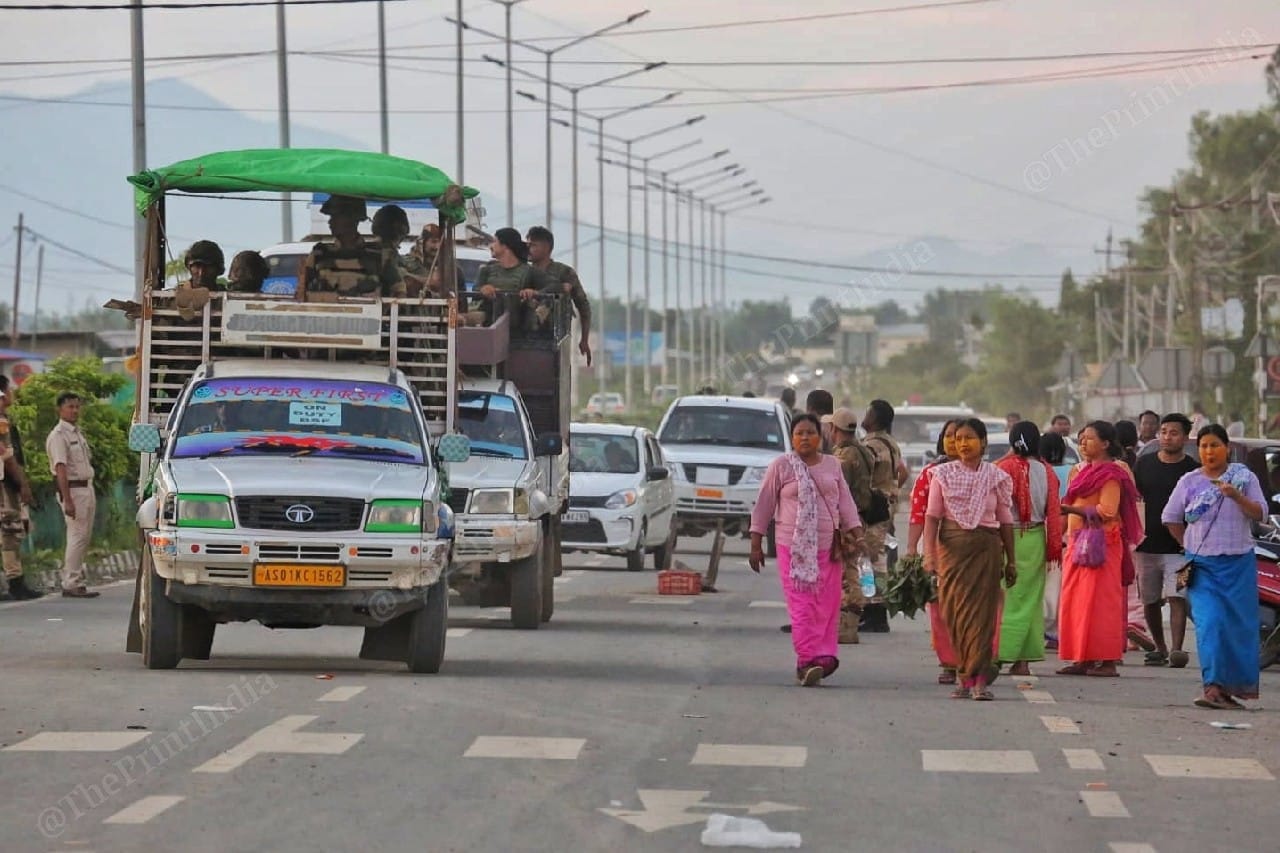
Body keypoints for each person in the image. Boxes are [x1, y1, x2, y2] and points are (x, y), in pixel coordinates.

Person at [749, 414, 863, 686]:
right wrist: (756, 543)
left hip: (828, 548)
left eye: (810, 432)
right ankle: (807, 660)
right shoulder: (782, 466)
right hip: (793, 548)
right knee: (802, 606)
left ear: (820, 436)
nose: (804, 438)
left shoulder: (833, 465)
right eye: (799, 433)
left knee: (827, 604)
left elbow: (844, 501)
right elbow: (764, 504)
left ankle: (823, 657)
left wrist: (856, 530)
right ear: (791, 437)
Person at [1162, 424, 1266, 709]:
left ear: (1227, 448)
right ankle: (1213, 687)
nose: (1208, 451)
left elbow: (1260, 513)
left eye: (1214, 445)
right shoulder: (1189, 481)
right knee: (1211, 624)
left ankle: (1232, 689)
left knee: (1239, 629)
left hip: (1238, 564)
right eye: (1204, 446)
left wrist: (1236, 496)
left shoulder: (1244, 479)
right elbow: (1170, 517)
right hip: (1202, 567)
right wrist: (1187, 544)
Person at [922, 418, 1016, 700]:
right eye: (959, 438)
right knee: (955, 614)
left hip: (986, 549)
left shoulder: (995, 476)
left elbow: (1005, 519)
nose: (963, 443)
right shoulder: (942, 475)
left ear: (983, 442)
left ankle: (978, 682)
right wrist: (929, 555)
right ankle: (965, 673)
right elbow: (932, 517)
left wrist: (1011, 560)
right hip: (951, 551)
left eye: (969, 438)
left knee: (982, 616)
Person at [1056, 421, 1143, 677]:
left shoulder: (1112, 474)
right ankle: (1082, 657)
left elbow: (1107, 511)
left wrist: (1070, 510)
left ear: (1106, 443)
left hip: (1102, 545)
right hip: (1077, 542)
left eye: (1089, 439)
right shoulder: (1081, 471)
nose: (1083, 443)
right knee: (1077, 601)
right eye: (1081, 439)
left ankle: (1107, 660)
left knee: (1102, 604)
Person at [994, 422, 1063, 677]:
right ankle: (1022, 661)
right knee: (1031, 601)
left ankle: (1001, 652)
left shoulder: (1003, 469)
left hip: (1006, 538)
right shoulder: (1047, 471)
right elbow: (1053, 511)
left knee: (1006, 598)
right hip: (1035, 539)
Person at [1133, 413, 1198, 668]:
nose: (1167, 437)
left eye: (1173, 432)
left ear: (1185, 437)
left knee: (1178, 596)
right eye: (1164, 432)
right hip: (1146, 546)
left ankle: (1177, 650)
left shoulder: (1192, 470)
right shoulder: (1144, 464)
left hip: (1182, 548)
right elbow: (1134, 499)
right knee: (1149, 599)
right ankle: (1159, 648)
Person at [907, 419, 960, 683]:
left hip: (973, 549)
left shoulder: (984, 472)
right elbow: (918, 515)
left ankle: (972, 658)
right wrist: (912, 550)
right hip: (938, 546)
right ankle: (949, 662)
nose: (954, 440)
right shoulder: (929, 474)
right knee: (940, 606)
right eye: (949, 435)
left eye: (959, 435)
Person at [824, 407, 878, 645]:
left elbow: (837, 492)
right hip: (859, 519)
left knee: (846, 573)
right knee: (850, 570)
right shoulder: (862, 451)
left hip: (847, 521)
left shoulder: (844, 457)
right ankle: (846, 625)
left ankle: (848, 626)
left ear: (834, 428)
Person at [45, 392, 98, 598]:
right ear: (60, 409)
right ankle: (70, 582)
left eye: (77, 407)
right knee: (76, 535)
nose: (75, 411)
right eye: (70, 407)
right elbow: (60, 468)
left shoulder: (77, 433)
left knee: (84, 536)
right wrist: (67, 499)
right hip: (74, 490)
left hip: (87, 487)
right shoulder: (58, 435)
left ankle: (76, 578)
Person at [297, 195, 401, 300]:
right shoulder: (319, 254)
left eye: (336, 217)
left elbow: (398, 293)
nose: (330, 222)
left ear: (353, 219)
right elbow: (302, 294)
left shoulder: (379, 256)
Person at [859, 399, 903, 633]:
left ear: (875, 418)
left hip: (872, 509)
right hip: (885, 508)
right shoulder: (891, 443)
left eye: (868, 413)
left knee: (870, 562)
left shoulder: (872, 445)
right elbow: (901, 473)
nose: (864, 417)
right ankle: (874, 611)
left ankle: (874, 611)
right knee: (877, 561)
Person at [527, 226, 593, 365]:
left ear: (546, 248)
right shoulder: (524, 271)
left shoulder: (564, 272)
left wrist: (584, 339)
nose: (529, 249)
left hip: (555, 336)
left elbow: (583, 306)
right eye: (528, 245)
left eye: (533, 245)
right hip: (526, 334)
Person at [0, 377, 40, 600]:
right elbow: (7, 456)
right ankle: (15, 581)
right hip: (5, 484)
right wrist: (23, 484)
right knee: (10, 533)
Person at [476, 228, 556, 329]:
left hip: (519, 332)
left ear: (505, 245)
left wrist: (535, 292)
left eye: (494, 241)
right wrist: (483, 289)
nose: (491, 246)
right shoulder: (487, 270)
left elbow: (556, 286)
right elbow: (475, 292)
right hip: (488, 327)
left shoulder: (529, 271)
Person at [1037, 431, 1071, 649]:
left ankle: (1046, 630)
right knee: (1061, 587)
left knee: (1045, 585)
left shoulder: (1039, 472)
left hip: (1040, 531)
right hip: (1068, 533)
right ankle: (1059, 630)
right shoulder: (1071, 471)